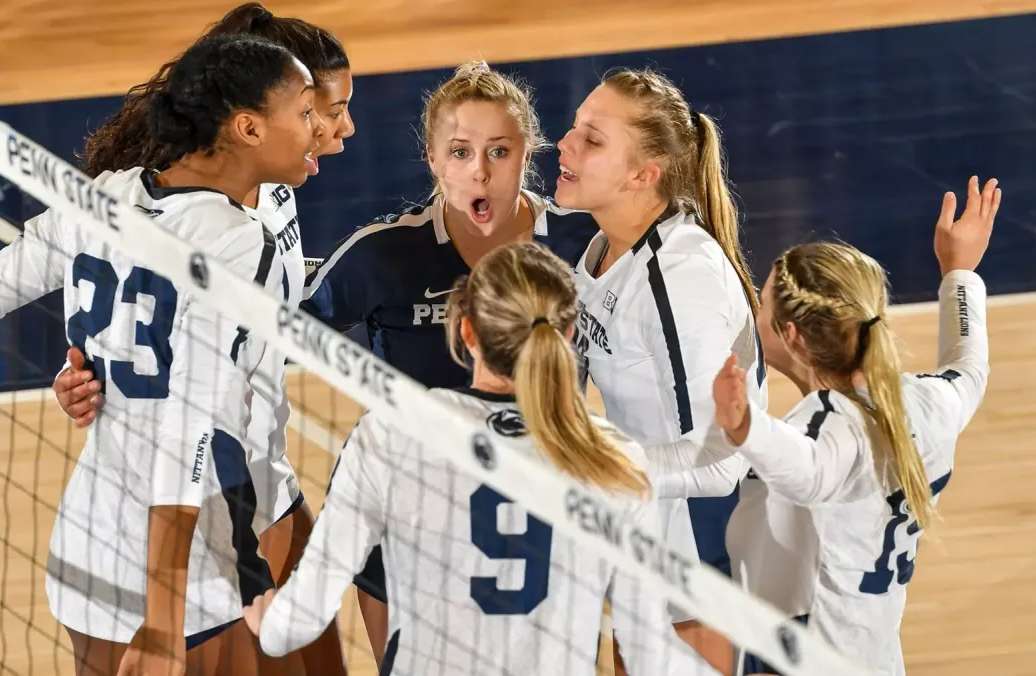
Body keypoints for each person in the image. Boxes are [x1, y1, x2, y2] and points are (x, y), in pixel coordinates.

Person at [0, 33, 320, 676]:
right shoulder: (235, 244)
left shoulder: (100, 195)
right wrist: (163, 620)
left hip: (89, 550)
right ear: (247, 126)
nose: (318, 127)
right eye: (305, 113)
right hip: (185, 562)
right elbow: (188, 428)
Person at [51, 4, 354, 673]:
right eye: (323, 110)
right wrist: (79, 375)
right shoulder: (174, 199)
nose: (341, 129)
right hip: (188, 507)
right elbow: (123, 313)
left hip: (265, 480)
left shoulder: (272, 184)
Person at [243, 241, 709, 675]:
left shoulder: (396, 432)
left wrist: (270, 623)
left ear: (466, 331)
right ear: (569, 333)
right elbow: (649, 651)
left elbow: (300, 621)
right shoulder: (615, 457)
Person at [298, 59, 598, 662]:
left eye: (499, 151)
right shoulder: (385, 253)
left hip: (541, 503)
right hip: (408, 508)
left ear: (528, 152)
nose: (479, 173)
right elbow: (264, 333)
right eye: (459, 153)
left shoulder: (582, 241)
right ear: (433, 159)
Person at [711, 177, 999, 675]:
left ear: (793, 336)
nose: (753, 313)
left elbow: (811, 469)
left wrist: (745, 427)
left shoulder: (829, 429)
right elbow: (969, 368)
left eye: (762, 304)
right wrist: (960, 271)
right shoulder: (926, 402)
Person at [553, 67, 764, 673]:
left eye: (592, 141)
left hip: (703, 557)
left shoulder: (679, 282)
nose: (564, 145)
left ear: (644, 175)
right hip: (648, 531)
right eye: (575, 129)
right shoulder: (601, 249)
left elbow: (723, 463)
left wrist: (602, 471)